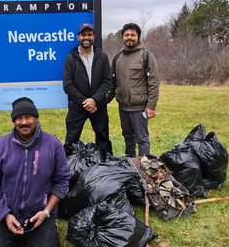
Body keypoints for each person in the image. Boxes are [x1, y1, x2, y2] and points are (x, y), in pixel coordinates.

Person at [0, 97, 71, 247]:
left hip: (39, 213)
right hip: (10, 213)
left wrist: (46, 212)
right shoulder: (0, 146)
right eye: (18, 118)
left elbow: (62, 181)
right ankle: (16, 232)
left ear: (36, 118)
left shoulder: (53, 145)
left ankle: (38, 232)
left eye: (28, 117)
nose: (23, 122)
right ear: (14, 121)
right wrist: (5, 215)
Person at [106, 22, 160, 157]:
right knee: (127, 136)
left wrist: (151, 106)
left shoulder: (146, 56)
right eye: (126, 35)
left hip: (139, 107)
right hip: (123, 107)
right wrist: (103, 101)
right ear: (123, 37)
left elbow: (153, 82)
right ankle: (130, 164)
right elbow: (113, 83)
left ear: (138, 37)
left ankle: (143, 167)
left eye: (132, 35)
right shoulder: (118, 58)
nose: (129, 38)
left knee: (142, 139)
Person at [62, 22, 112, 157]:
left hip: (98, 106)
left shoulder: (102, 57)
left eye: (89, 34)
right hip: (77, 107)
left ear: (94, 37)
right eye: (83, 34)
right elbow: (68, 85)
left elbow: (107, 80)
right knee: (71, 141)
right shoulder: (70, 59)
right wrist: (86, 102)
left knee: (103, 139)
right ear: (78, 37)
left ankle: (107, 168)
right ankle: (68, 170)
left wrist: (94, 100)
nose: (86, 37)